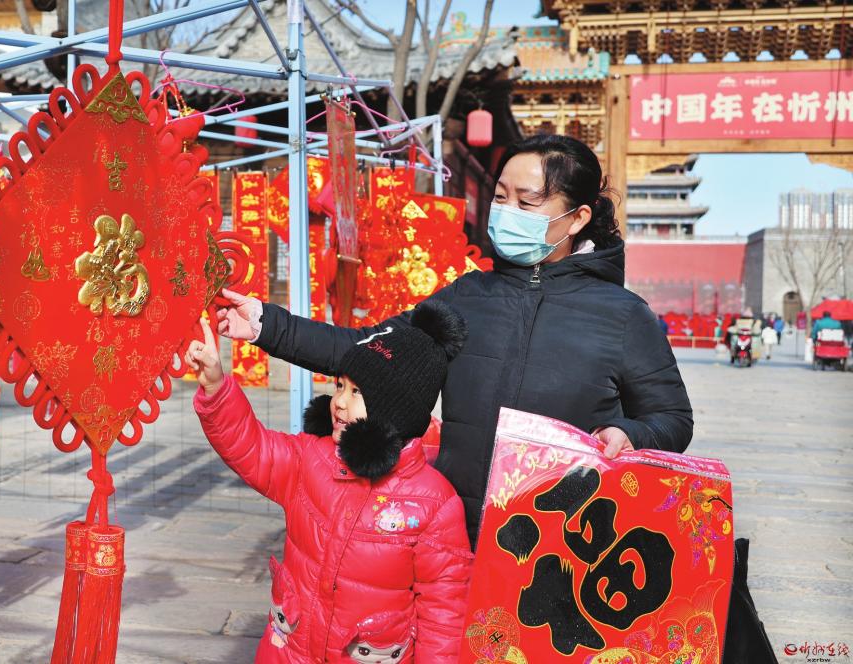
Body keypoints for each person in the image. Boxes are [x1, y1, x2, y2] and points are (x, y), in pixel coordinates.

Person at [217, 134, 693, 547]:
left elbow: (672, 417)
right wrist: (263, 324)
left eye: (526, 203)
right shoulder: (467, 297)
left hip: (561, 545)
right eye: (501, 197)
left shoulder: (623, 315)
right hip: (457, 536)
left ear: (576, 218)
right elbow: (366, 348)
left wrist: (632, 434)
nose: (506, 212)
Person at [187, 301, 473, 663]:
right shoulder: (312, 459)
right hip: (290, 652)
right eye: (340, 386)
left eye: (356, 393)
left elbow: (443, 615)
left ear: (395, 410)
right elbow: (252, 447)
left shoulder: (433, 504)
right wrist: (216, 387)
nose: (338, 402)